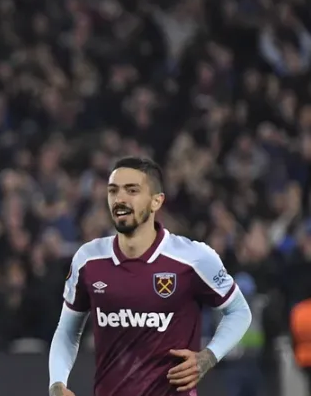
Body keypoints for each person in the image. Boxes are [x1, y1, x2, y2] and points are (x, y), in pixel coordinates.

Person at [47, 157, 253, 396]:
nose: (120, 199)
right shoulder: (88, 259)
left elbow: (239, 311)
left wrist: (208, 356)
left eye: (132, 190)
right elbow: (67, 331)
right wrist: (57, 383)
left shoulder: (193, 258)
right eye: (113, 191)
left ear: (157, 201)